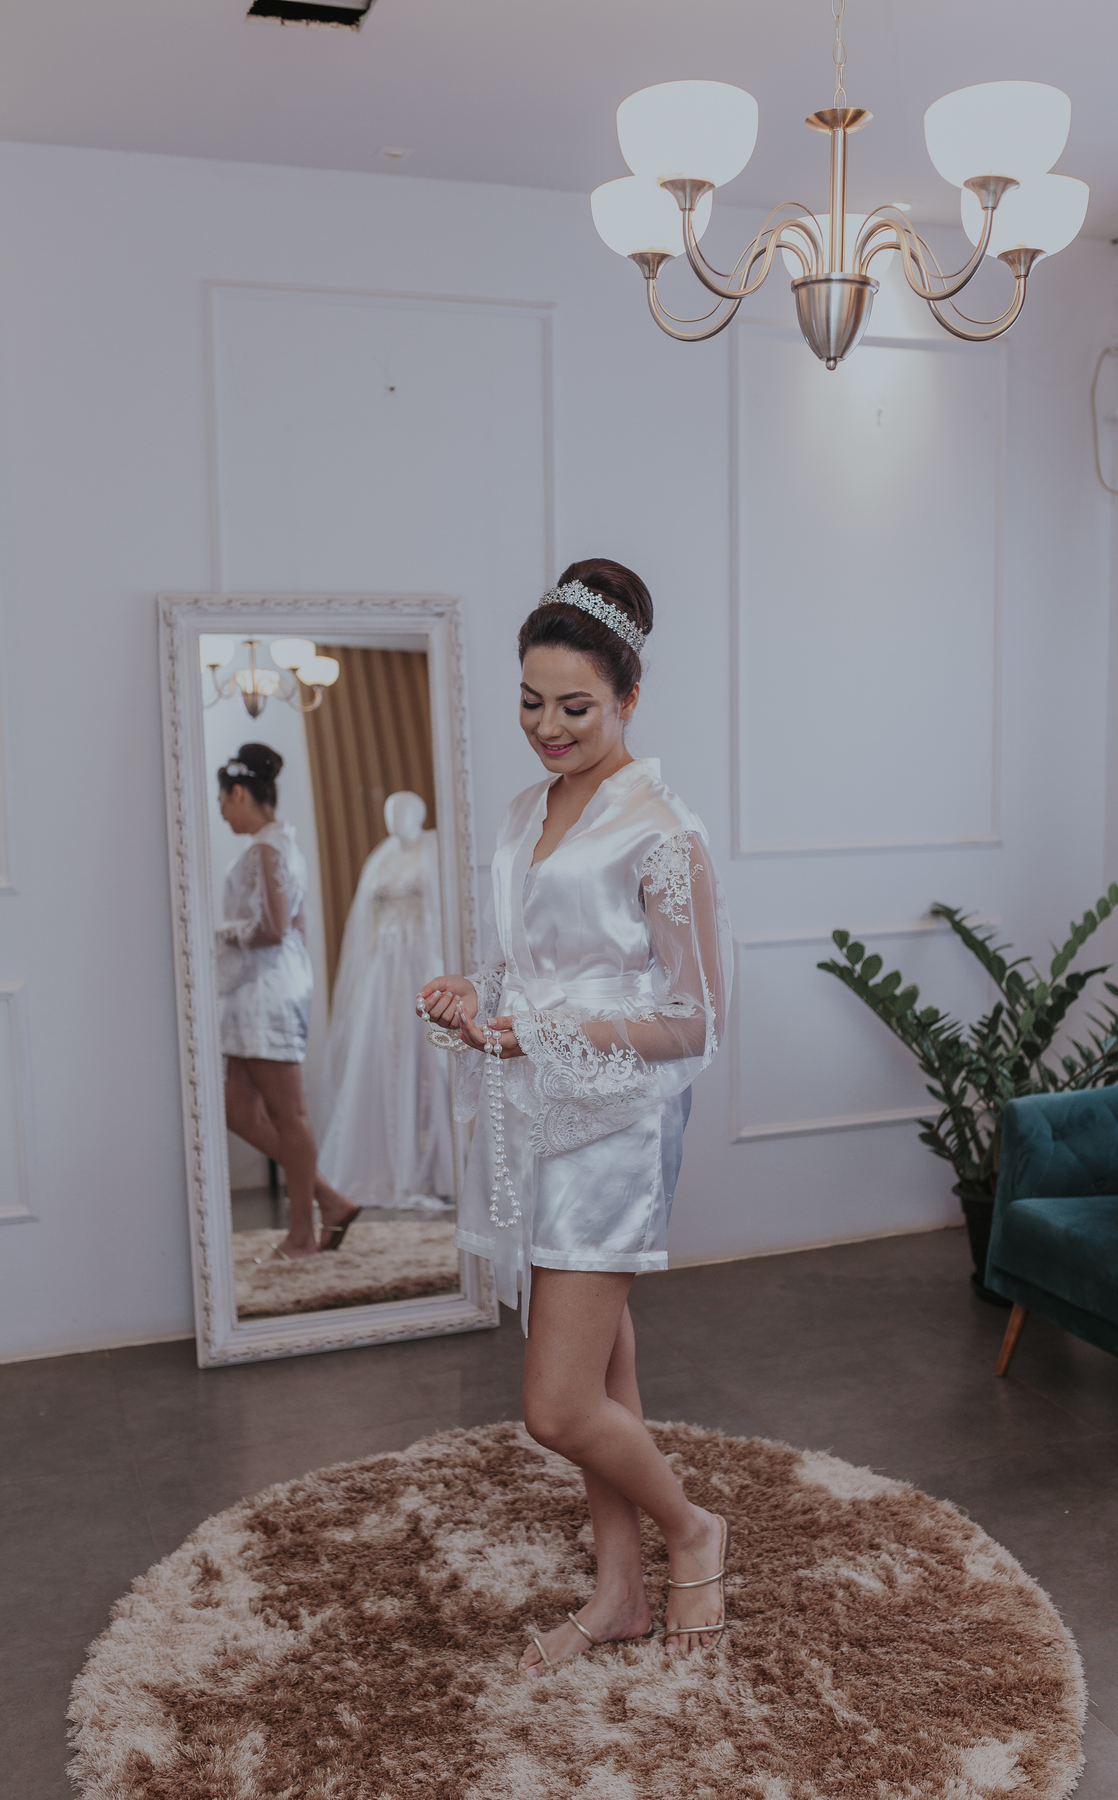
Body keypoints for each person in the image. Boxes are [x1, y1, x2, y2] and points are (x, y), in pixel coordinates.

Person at [417, 559, 733, 1675]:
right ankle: (620, 1593)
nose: (547, 728)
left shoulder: (662, 830)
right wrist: (476, 998)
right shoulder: (526, 811)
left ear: (630, 699)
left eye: (576, 708)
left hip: (614, 1128)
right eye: (530, 702)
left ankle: (692, 1529)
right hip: (537, 1115)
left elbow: (692, 1019)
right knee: (604, 1381)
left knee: (555, 1406)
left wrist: (539, 1035)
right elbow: (530, 971)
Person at [216, 742, 358, 1260]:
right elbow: (292, 924)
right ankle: (329, 1199)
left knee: (287, 1114)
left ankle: (301, 1233)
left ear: (239, 792)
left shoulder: (267, 849)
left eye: (222, 800)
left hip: (266, 993)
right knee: (236, 1110)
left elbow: (274, 929)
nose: (221, 811)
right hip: (259, 989)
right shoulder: (280, 845)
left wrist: (216, 932)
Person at [320, 791, 454, 1210]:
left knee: (424, 1052)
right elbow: (367, 921)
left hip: (421, 960)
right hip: (384, 967)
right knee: (380, 1052)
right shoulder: (380, 859)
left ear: (420, 814)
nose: (396, 819)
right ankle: (385, 1165)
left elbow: (445, 913)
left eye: (403, 811)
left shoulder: (434, 852)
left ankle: (431, 1165)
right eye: (391, 812)